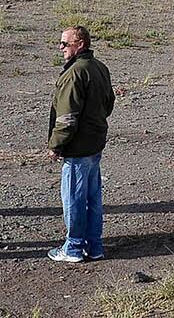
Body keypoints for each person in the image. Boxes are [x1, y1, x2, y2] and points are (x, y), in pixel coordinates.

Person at [47, 25, 115, 263]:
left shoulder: (75, 73)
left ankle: (74, 247)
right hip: (94, 145)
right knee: (93, 199)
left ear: (80, 45)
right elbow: (109, 105)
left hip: (77, 148)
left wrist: (56, 145)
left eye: (65, 43)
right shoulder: (99, 68)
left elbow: (66, 117)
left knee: (74, 199)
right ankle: (94, 245)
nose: (61, 48)